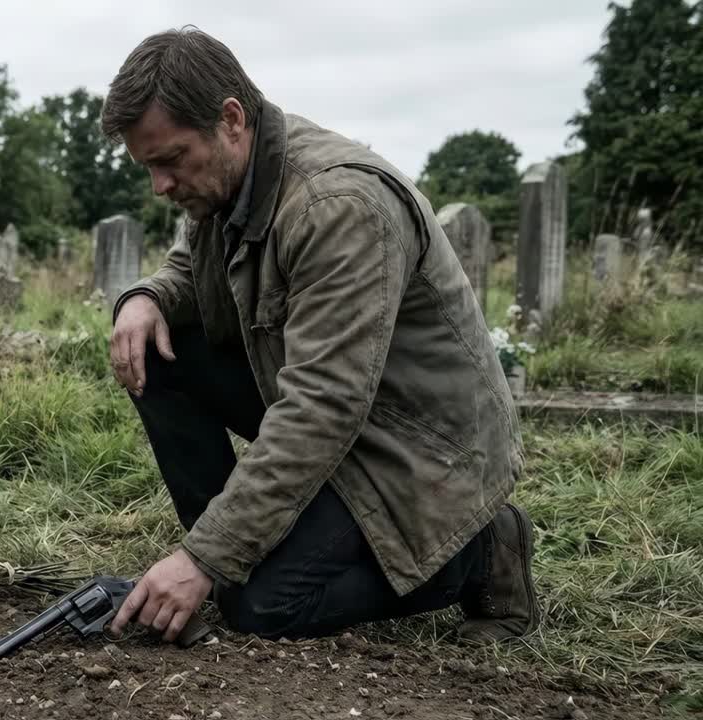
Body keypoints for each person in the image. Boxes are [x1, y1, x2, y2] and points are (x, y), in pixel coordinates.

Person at [102, 27, 539, 646]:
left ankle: (482, 547)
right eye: (149, 167)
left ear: (230, 119)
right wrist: (147, 297)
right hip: (340, 408)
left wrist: (203, 559)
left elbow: (323, 406)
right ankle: (230, 553)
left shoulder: (337, 206)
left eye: (170, 161)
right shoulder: (233, 177)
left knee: (266, 608)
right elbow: (191, 263)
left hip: (417, 448)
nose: (161, 186)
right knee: (155, 348)